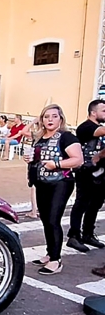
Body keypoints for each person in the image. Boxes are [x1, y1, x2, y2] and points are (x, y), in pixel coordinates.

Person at [24, 104, 83, 275]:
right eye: (46, 116)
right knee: (46, 220)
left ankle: (56, 260)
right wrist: (28, 159)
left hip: (61, 182)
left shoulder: (66, 137)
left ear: (61, 118)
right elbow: (36, 160)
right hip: (41, 182)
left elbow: (78, 160)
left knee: (53, 220)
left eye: (54, 116)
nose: (50, 119)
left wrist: (56, 164)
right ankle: (51, 253)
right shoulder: (39, 137)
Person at [67, 99, 105, 252]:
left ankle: (88, 233)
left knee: (95, 204)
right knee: (81, 202)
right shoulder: (85, 127)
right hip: (86, 172)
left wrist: (101, 156)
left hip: (101, 173)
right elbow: (100, 132)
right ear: (93, 112)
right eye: (104, 110)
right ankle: (74, 236)